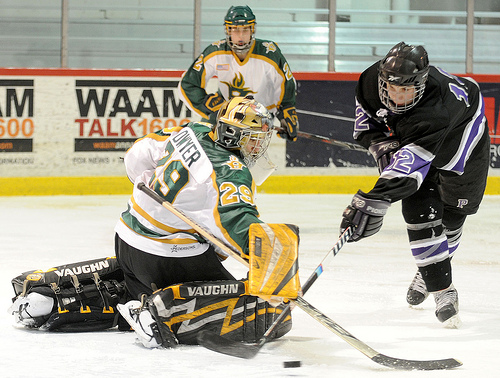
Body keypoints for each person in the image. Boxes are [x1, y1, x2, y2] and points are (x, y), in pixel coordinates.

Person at [114, 95, 298, 347]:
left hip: (125, 242)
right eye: (252, 139)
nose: (257, 148)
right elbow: (237, 224)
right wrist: (273, 267)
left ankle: (93, 296)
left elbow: (137, 154)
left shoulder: (192, 129)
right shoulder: (230, 172)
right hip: (167, 263)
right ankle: (160, 315)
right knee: (270, 310)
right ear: (233, 133)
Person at [339, 42, 490, 327]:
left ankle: (428, 268)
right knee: (419, 210)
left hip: (463, 133)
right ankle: (443, 288)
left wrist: (375, 200)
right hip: (420, 135)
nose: (397, 96)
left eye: (406, 90)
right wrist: (380, 144)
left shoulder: (437, 109)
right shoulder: (371, 81)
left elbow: (407, 173)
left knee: (453, 214)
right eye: (392, 88)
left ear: (420, 84)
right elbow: (366, 126)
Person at [178, 5, 299, 142]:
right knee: (205, 148)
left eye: (245, 30)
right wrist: (209, 105)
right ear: (228, 31)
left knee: (243, 159)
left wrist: (287, 115)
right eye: (235, 30)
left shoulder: (269, 53)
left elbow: (286, 86)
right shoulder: (216, 51)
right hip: (227, 116)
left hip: (258, 118)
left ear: (252, 30)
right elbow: (188, 84)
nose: (240, 36)